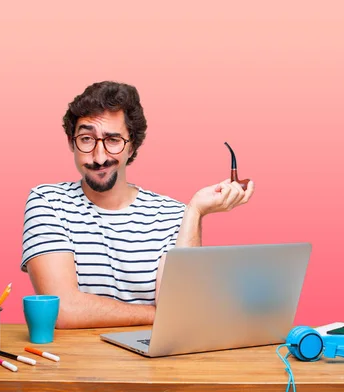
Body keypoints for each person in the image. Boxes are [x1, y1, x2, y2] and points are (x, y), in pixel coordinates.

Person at [21, 81, 255, 329]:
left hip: (152, 365)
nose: (99, 157)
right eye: (86, 139)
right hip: (75, 363)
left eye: (113, 140)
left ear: (131, 144)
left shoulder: (173, 214)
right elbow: (62, 310)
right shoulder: (48, 202)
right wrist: (159, 314)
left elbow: (181, 309)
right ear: (71, 142)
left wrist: (195, 211)